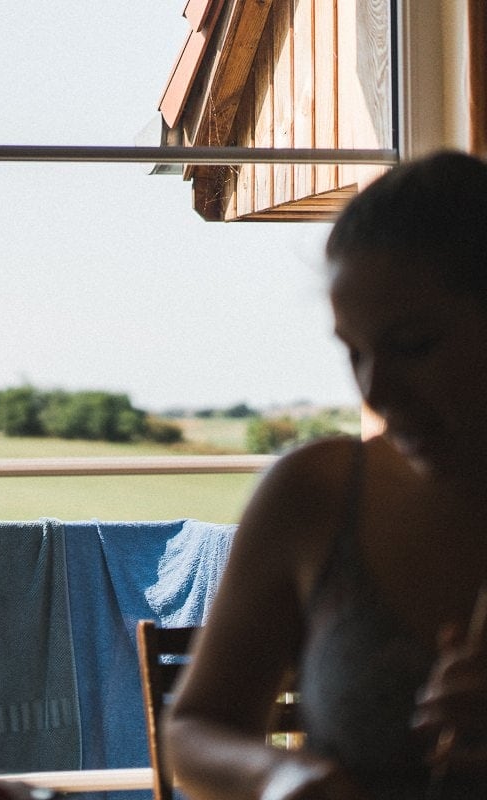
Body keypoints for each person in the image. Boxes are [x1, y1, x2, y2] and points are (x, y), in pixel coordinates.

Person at [163, 150, 487, 800]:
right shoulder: (316, 494)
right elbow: (195, 729)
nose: (377, 393)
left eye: (414, 345)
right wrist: (281, 776)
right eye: (355, 353)